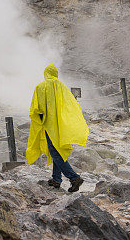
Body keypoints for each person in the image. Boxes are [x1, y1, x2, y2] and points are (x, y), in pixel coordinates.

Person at [25, 64, 89, 192]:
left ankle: (74, 178)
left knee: (55, 152)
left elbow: (38, 108)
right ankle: (56, 179)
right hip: (61, 126)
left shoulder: (41, 86)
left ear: (46, 73)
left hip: (50, 125)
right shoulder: (62, 87)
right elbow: (71, 105)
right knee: (58, 150)